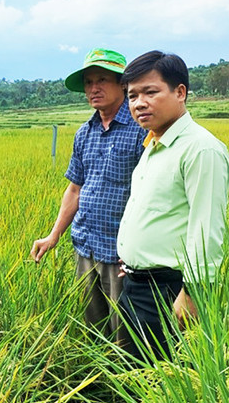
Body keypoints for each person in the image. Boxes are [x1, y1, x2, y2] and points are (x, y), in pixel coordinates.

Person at [116, 50, 229, 361]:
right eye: (132, 95)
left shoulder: (201, 149)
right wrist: (136, 263)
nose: (139, 103)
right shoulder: (155, 144)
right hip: (136, 284)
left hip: (170, 292)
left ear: (180, 92)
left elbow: (206, 231)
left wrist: (191, 295)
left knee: (159, 384)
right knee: (133, 375)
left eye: (150, 92)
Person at [30, 48, 146, 339]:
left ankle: (127, 383)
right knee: (92, 330)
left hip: (123, 254)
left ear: (122, 84)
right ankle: (96, 382)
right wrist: (53, 234)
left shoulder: (142, 129)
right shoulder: (85, 132)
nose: (94, 88)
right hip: (87, 247)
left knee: (126, 333)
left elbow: (154, 194)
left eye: (102, 80)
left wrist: (140, 250)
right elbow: (75, 188)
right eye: (88, 82)